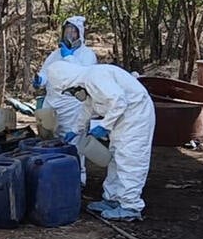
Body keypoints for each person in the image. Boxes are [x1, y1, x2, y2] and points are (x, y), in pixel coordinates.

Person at [46, 60, 155, 221]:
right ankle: (112, 198)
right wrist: (75, 130)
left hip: (136, 117)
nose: (73, 94)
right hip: (123, 119)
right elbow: (87, 109)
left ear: (71, 82)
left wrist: (104, 125)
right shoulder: (88, 84)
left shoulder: (95, 77)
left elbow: (119, 102)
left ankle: (130, 206)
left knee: (130, 159)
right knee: (115, 158)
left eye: (70, 90)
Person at [32, 16, 97, 183]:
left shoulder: (87, 55)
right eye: (67, 30)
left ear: (80, 34)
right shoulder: (55, 54)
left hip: (73, 104)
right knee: (50, 139)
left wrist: (69, 56)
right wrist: (40, 79)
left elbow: (83, 77)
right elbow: (46, 73)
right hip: (53, 102)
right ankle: (54, 173)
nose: (69, 34)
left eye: (73, 31)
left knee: (74, 141)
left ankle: (77, 177)